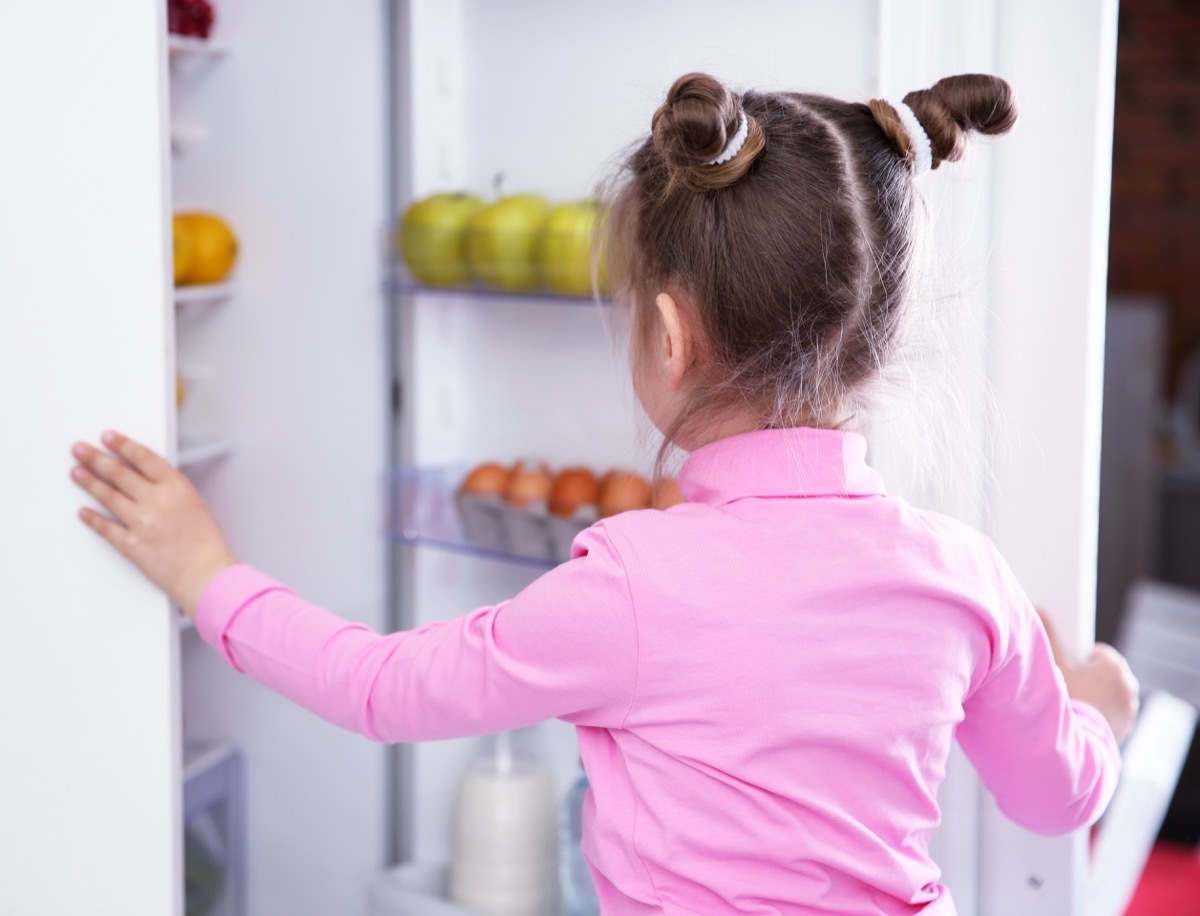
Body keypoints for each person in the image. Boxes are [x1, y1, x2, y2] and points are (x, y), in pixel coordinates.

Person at [70, 72, 1139, 914]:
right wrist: (1090, 704)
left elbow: (382, 689)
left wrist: (203, 572)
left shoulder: (635, 579)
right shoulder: (965, 576)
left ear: (669, 338)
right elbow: (1056, 796)